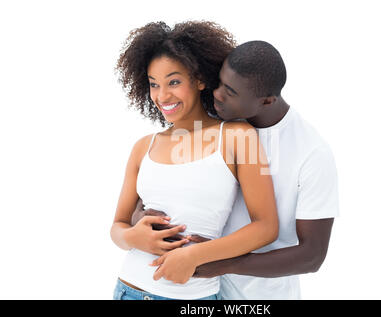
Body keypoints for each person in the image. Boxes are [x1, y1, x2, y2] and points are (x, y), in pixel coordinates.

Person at [132, 40, 339, 300]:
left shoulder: (310, 153)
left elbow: (312, 256)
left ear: (266, 100)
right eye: (219, 82)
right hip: (200, 292)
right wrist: (140, 217)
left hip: (261, 297)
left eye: (230, 91)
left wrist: (223, 263)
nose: (217, 94)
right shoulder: (220, 125)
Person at [110, 22, 279, 300]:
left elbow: (266, 227)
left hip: (192, 298)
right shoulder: (143, 147)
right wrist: (133, 238)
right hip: (127, 289)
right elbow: (117, 226)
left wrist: (196, 255)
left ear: (200, 79)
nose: (162, 96)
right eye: (154, 84)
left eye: (174, 82)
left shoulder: (239, 136)